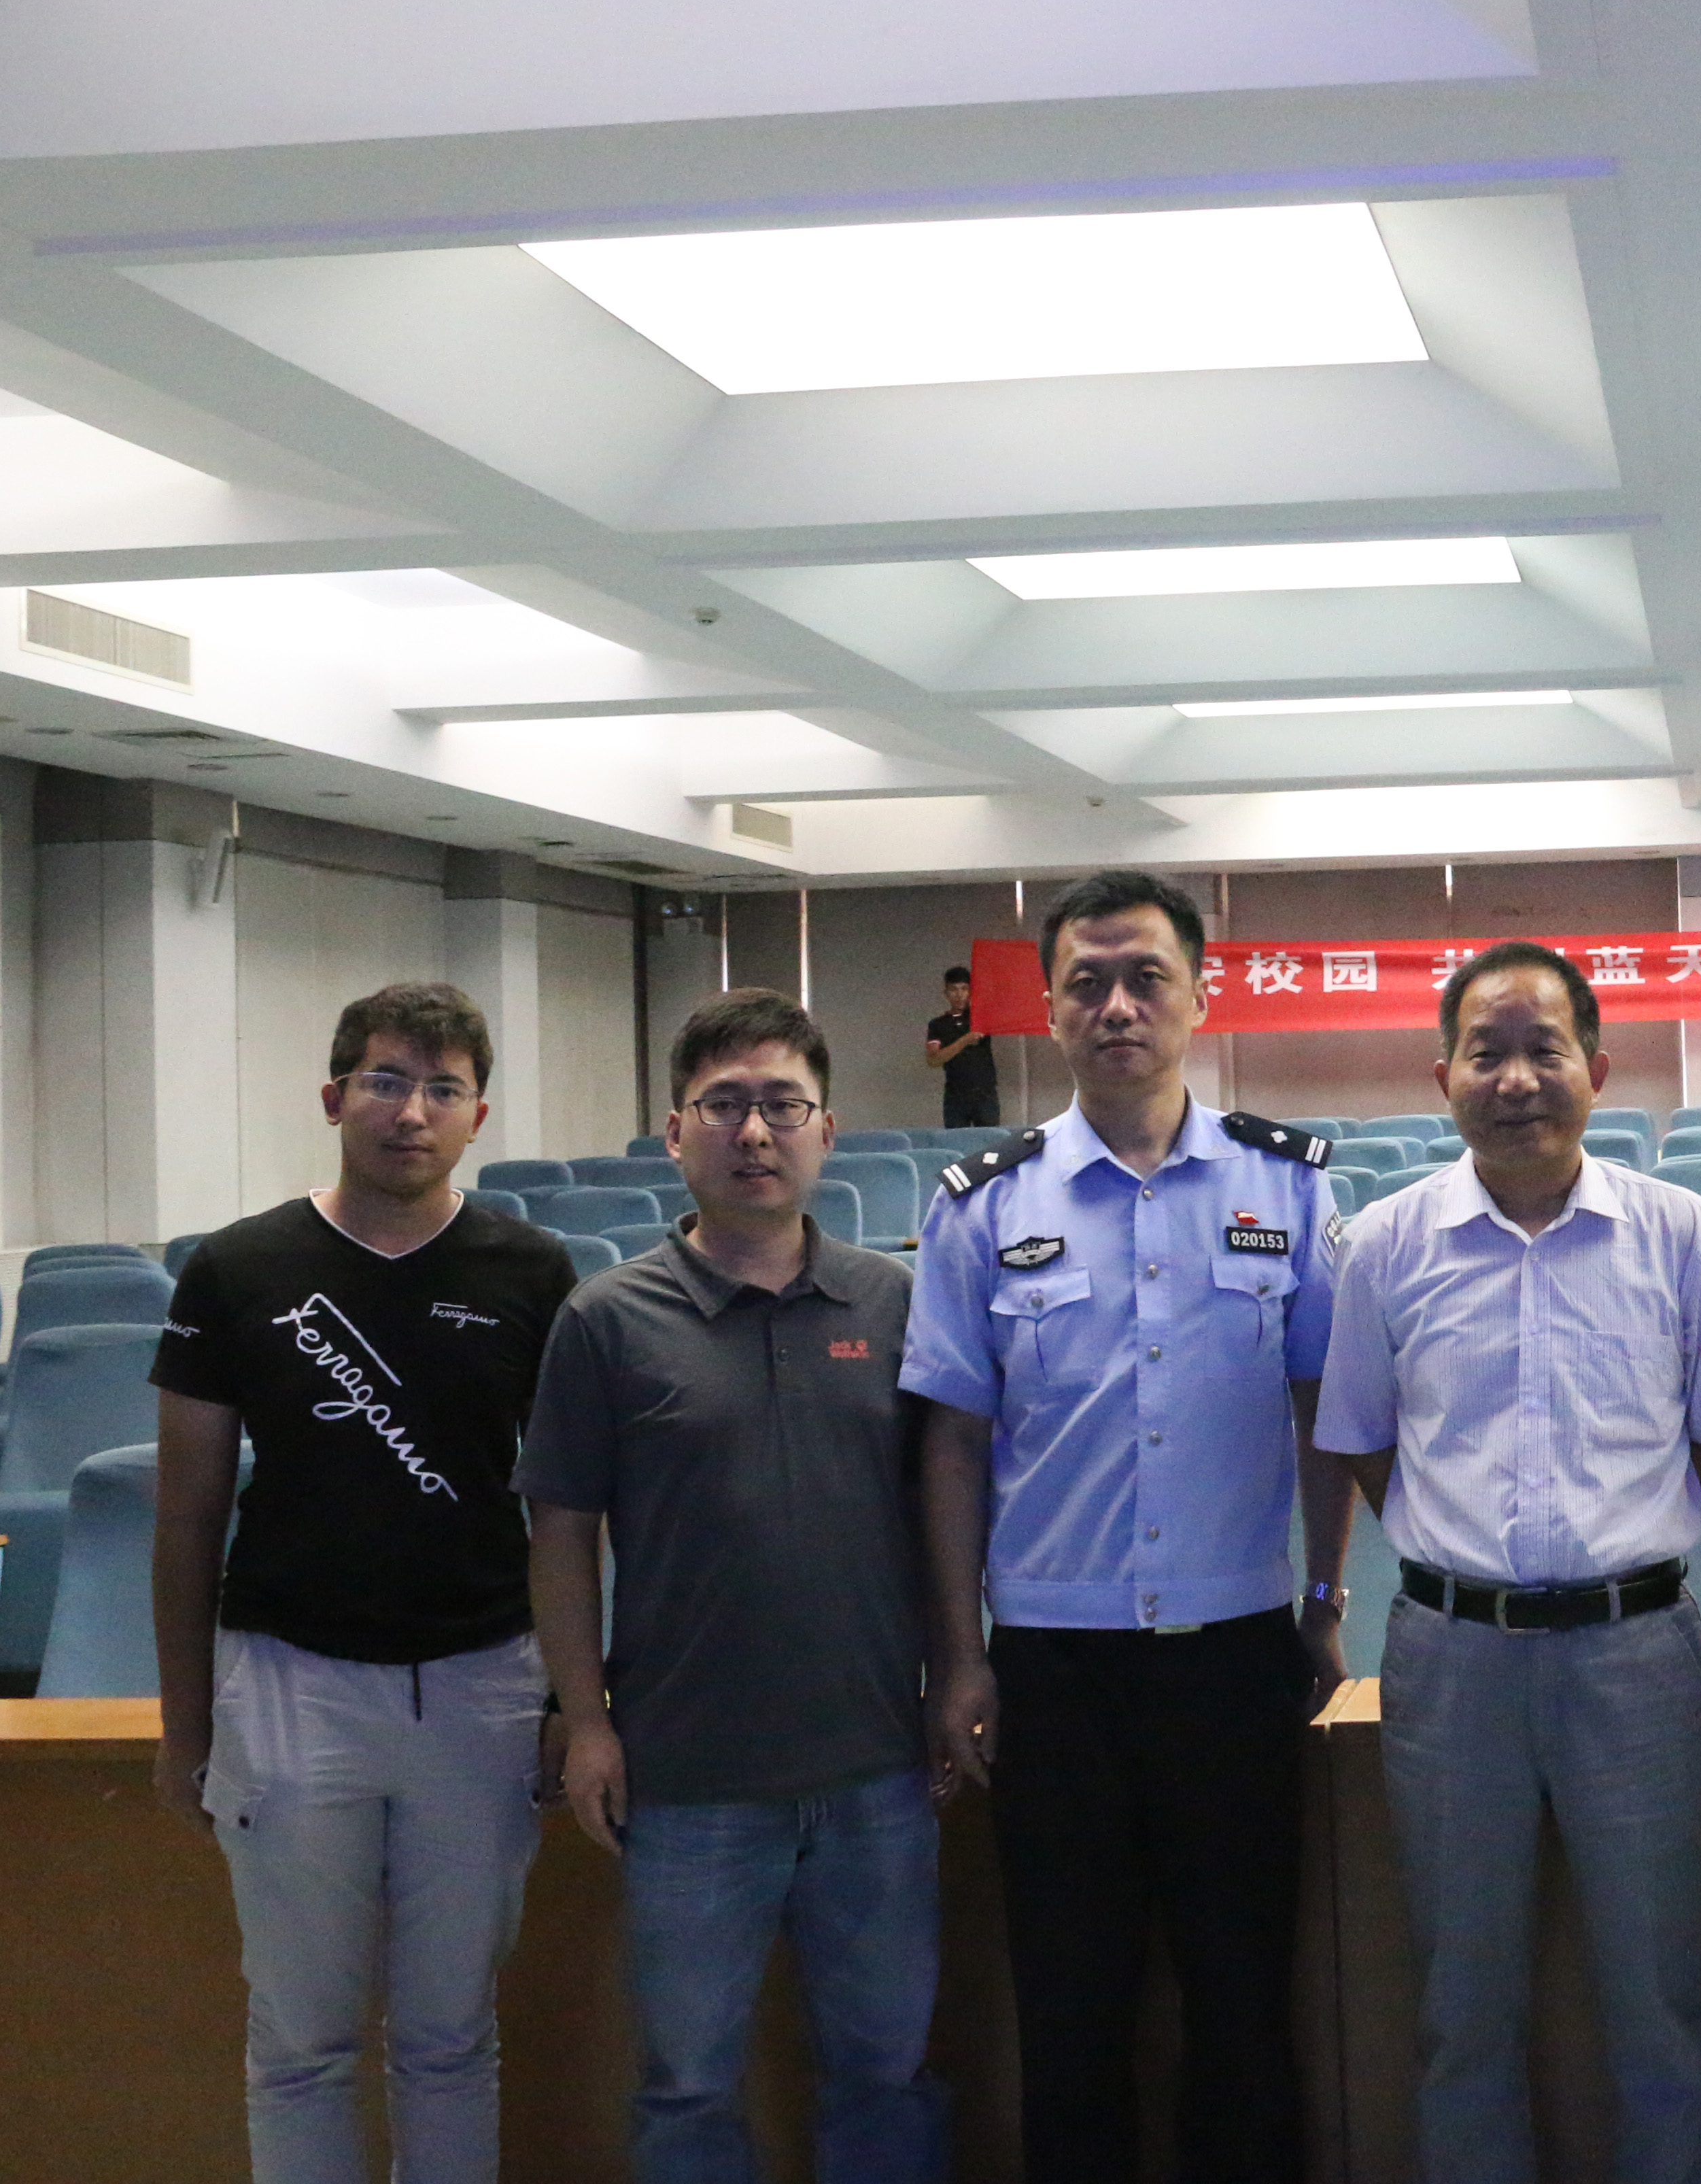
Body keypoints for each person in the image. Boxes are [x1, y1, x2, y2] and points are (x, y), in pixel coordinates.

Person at [904, 870, 1352, 2184]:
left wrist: (1326, 1599)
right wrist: (960, 1653)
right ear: (1048, 1009)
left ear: (1199, 997)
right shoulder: (985, 1202)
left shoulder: (1287, 1186)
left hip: (1235, 1657)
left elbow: (1325, 1409)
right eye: (1086, 982)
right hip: (1054, 1672)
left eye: (1146, 976)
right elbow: (952, 1443)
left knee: (1243, 2005)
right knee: (1070, 2012)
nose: (1117, 1005)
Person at [1314, 940, 1701, 2184]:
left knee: (1660, 1996)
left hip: (1638, 1656)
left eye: (1544, 1050)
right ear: (1443, 1077)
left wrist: (1622, 1550)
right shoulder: (1386, 1244)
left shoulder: (1680, 1234)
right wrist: (1463, 1559)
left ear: (1597, 1071)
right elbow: (1363, 1440)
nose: (1516, 1080)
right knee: (1462, 2006)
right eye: (1486, 1053)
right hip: (1450, 1662)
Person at [147, 980, 579, 2184]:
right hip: (291, 1684)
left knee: (450, 2036)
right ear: (335, 1097)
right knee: (300, 2043)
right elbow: (186, 1519)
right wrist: (187, 1724)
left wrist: (572, 1698)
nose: (412, 1111)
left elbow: (568, 1511)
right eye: (386, 1081)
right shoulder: (238, 1268)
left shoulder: (532, 1270)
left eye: (443, 1088)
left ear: (478, 1114)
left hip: (484, 1686)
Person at [517, 989, 942, 2183]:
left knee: (888, 2073)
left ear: (827, 1130)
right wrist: (587, 1721)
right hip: (689, 1782)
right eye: (724, 1105)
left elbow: (945, 1513)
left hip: (874, 1770)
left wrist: (960, 1672)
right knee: (688, 2087)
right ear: (675, 1132)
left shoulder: (894, 1303)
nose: (754, 1131)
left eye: (783, 1105)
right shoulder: (607, 1319)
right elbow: (560, 1534)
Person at [927, 966, 1000, 1131]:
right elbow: (933, 1060)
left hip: (985, 1093)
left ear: (971, 991)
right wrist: (965, 1040)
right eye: (954, 990)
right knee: (957, 1140)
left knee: (990, 1140)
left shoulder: (981, 1017)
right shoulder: (938, 1025)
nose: (959, 995)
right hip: (956, 1095)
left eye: (964, 989)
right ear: (946, 993)